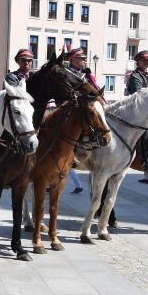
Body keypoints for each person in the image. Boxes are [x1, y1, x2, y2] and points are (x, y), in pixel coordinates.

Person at [65, 47, 98, 194]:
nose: (84, 60)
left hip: (87, 108)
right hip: (71, 108)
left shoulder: (85, 74)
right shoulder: (67, 74)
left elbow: (94, 90)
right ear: (72, 59)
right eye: (80, 58)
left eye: (84, 58)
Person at [127, 49, 148, 184]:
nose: (147, 63)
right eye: (145, 61)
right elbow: (139, 94)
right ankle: (145, 162)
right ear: (138, 62)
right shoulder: (135, 77)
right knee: (145, 133)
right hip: (137, 110)